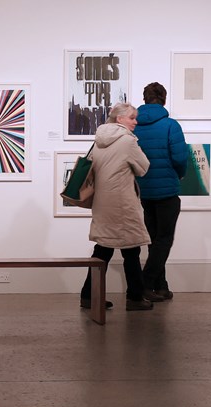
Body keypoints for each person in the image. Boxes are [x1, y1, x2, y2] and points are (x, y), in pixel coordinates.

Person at [80, 102, 154, 311]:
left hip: (103, 202)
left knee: (103, 247)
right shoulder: (127, 141)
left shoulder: (99, 140)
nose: (135, 122)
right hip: (122, 202)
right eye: (132, 117)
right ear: (119, 119)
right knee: (131, 248)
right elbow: (143, 168)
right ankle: (136, 298)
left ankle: (88, 296)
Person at [134, 82, 189, 301]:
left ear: (145, 99)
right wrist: (180, 174)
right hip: (167, 189)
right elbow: (179, 157)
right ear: (164, 99)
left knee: (154, 239)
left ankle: (161, 286)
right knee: (164, 239)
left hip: (144, 190)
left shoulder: (135, 125)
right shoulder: (170, 125)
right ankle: (146, 284)